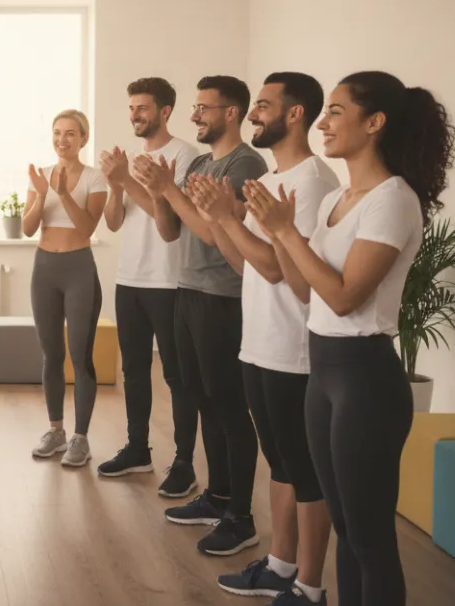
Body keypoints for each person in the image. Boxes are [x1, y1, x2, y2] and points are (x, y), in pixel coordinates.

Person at [244, 71, 454, 606]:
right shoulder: (339, 198)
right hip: (325, 375)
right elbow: (305, 289)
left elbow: (344, 298)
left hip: (366, 381)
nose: (322, 122)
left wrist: (288, 233)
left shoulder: (393, 200)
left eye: (335, 111)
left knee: (370, 538)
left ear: (374, 122)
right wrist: (277, 233)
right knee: (344, 526)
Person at [189, 74, 339, 604]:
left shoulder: (313, 181)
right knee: (281, 465)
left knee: (304, 469)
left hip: (293, 347)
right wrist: (223, 221)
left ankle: (307, 584)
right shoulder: (273, 178)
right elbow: (245, 265)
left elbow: (278, 271)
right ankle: (280, 564)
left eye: (263, 106)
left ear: (294, 114)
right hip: (259, 342)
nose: (253, 114)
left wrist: (233, 220)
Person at [131, 75, 268, 556]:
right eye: (194, 107)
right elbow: (171, 231)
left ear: (231, 113)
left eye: (204, 108)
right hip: (188, 291)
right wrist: (158, 189)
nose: (195, 116)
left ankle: (241, 517)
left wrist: (171, 189)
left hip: (223, 299)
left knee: (230, 408)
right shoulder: (203, 163)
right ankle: (218, 495)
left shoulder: (246, 162)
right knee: (204, 399)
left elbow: (214, 234)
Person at [95, 78, 201, 498]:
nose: (136, 115)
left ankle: (184, 463)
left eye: (143, 108)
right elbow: (114, 222)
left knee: (176, 375)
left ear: (165, 111)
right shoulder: (132, 158)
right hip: (130, 279)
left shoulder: (185, 156)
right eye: (132, 108)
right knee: (133, 370)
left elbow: (169, 222)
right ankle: (138, 450)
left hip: (169, 281)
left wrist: (128, 179)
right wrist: (116, 183)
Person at [24, 109, 108, 469]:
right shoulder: (39, 176)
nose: (63, 139)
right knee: (51, 355)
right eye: (58, 132)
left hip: (78, 270)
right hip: (44, 269)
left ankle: (80, 437)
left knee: (80, 356)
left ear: (83, 138)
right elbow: (28, 227)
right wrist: (43, 195)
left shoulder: (95, 178)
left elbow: (87, 227)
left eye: (71, 133)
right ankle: (56, 430)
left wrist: (62, 193)